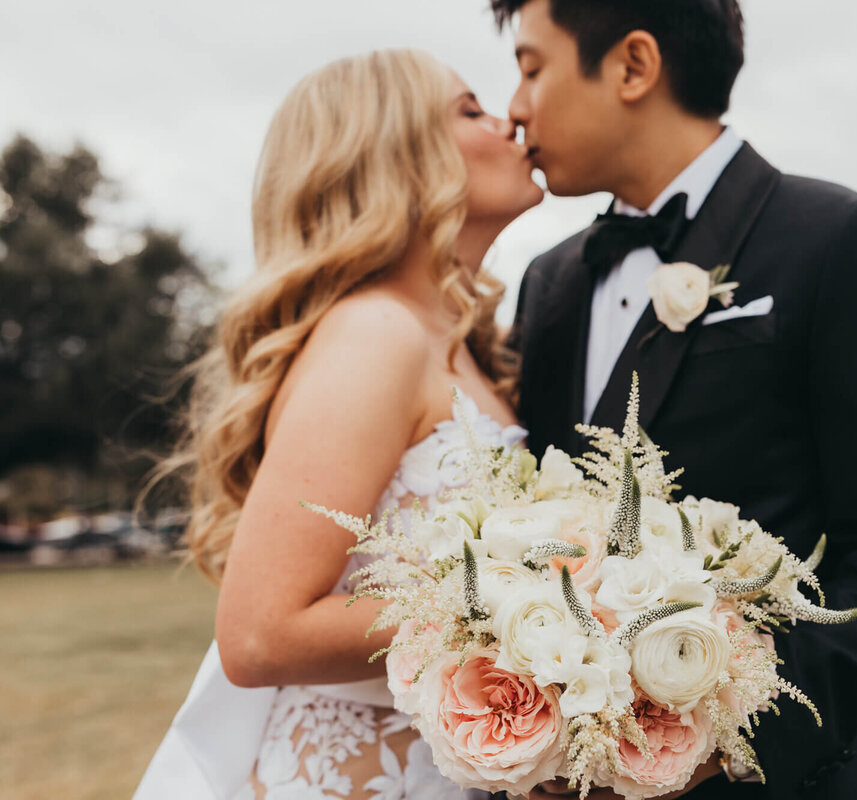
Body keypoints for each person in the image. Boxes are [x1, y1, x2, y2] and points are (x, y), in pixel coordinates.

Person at [496, 1, 857, 798]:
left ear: (633, 66)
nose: (514, 107)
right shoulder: (548, 280)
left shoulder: (845, 242)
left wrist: (722, 737)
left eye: (532, 67)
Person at [134, 49, 543, 799]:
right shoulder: (374, 334)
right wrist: (535, 602)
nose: (509, 119)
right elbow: (260, 635)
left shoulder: (457, 345)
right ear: (398, 155)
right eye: (470, 109)